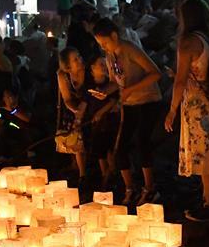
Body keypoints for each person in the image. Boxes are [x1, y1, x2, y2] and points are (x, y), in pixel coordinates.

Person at [164, 0, 209, 221]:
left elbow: (181, 81)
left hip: (198, 105)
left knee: (204, 156)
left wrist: (172, 110)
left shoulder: (189, 42)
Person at [93, 18, 163, 206]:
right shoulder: (110, 56)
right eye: (100, 44)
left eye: (105, 42)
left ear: (114, 35)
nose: (104, 47)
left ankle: (150, 188)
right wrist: (105, 92)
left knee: (142, 142)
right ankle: (130, 188)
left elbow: (155, 72)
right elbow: (117, 81)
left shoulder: (130, 49)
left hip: (148, 101)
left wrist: (132, 88)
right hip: (129, 104)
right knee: (121, 146)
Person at [85, 56, 121, 184]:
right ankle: (104, 175)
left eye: (105, 63)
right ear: (92, 68)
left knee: (110, 147)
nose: (104, 66)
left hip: (109, 120)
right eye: (100, 64)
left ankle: (112, 174)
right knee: (99, 149)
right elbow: (87, 102)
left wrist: (101, 112)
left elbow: (113, 100)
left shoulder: (109, 84)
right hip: (96, 123)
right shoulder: (90, 86)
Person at [56, 47, 89, 182]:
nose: (80, 60)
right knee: (77, 140)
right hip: (74, 110)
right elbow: (67, 99)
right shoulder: (63, 75)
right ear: (68, 67)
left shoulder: (88, 71)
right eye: (75, 59)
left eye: (79, 56)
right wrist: (77, 112)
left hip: (91, 107)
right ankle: (82, 174)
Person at [0, 87, 32, 160]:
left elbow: (27, 119)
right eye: (5, 96)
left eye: (10, 96)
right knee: (2, 131)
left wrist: (12, 111)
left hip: (22, 131)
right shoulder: (3, 109)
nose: (8, 98)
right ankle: (3, 156)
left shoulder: (22, 104)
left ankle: (27, 152)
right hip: (8, 132)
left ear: (15, 97)